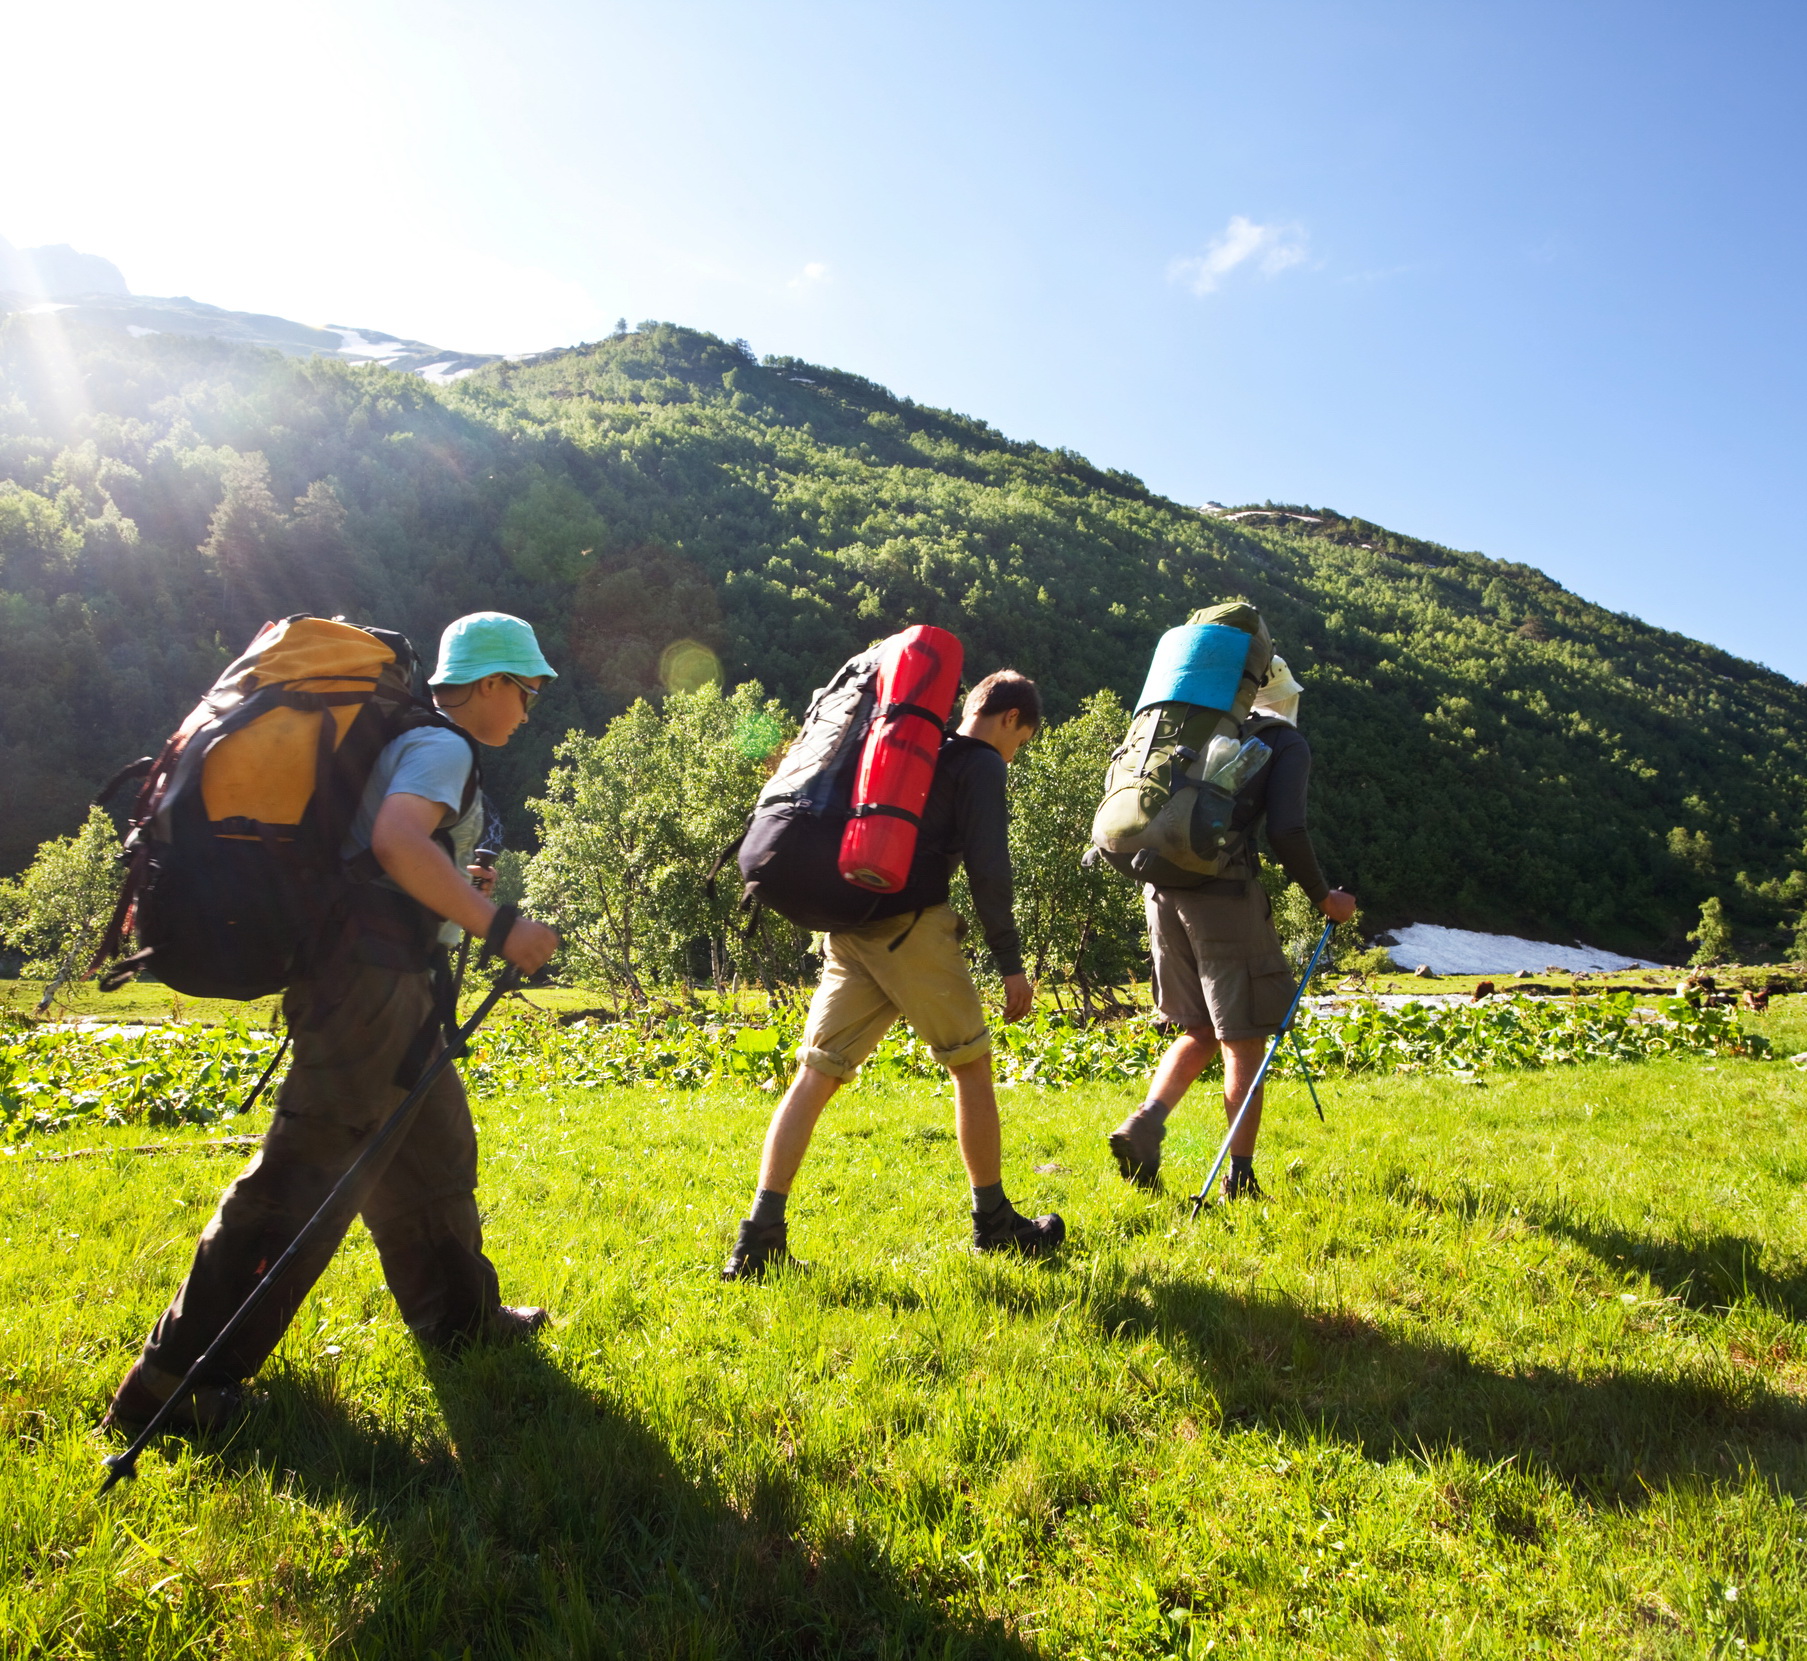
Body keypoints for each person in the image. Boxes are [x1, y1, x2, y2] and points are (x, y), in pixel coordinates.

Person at [105, 612, 563, 1434]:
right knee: (304, 1175)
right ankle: (173, 1384)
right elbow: (394, 844)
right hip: (369, 989)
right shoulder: (444, 747)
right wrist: (500, 924)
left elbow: (394, 852)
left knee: (435, 1155)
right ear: (489, 684)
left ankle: (461, 1321)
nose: (526, 711)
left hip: (386, 980)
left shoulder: (410, 742)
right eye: (524, 692)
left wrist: (458, 883)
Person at [723, 670, 1065, 1279]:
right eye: (1024, 740)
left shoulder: (911, 745)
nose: (1017, 751)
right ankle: (995, 1225)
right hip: (909, 928)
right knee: (971, 1062)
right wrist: (1010, 962)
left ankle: (758, 1239)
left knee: (817, 1075)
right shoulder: (982, 763)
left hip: (850, 924)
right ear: (1010, 718)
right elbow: (989, 867)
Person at [1107, 655, 1356, 1200]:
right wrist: (1323, 897)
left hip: (1161, 893)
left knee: (1197, 1029)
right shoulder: (1282, 742)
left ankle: (1145, 1123)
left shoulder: (1185, 731)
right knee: (1243, 1039)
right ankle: (1239, 1180)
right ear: (1279, 694)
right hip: (1223, 899)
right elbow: (1289, 829)